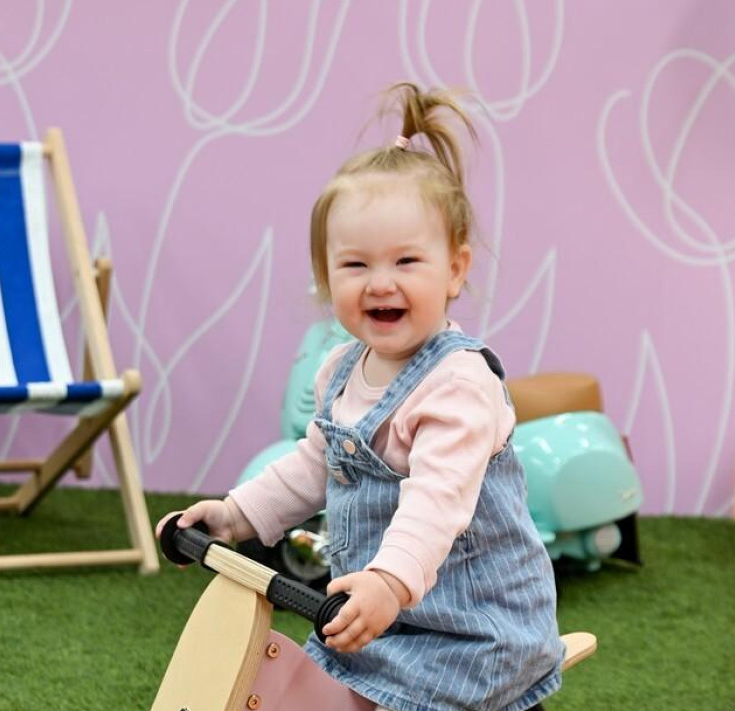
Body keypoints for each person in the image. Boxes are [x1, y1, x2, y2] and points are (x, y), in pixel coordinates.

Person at [157, 83, 563, 711]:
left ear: (455, 270)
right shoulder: (342, 370)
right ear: (326, 276)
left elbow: (437, 502)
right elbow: (312, 464)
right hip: (378, 616)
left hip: (470, 634)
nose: (380, 283)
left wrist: (388, 582)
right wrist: (234, 516)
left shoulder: (459, 385)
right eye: (355, 265)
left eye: (406, 261)